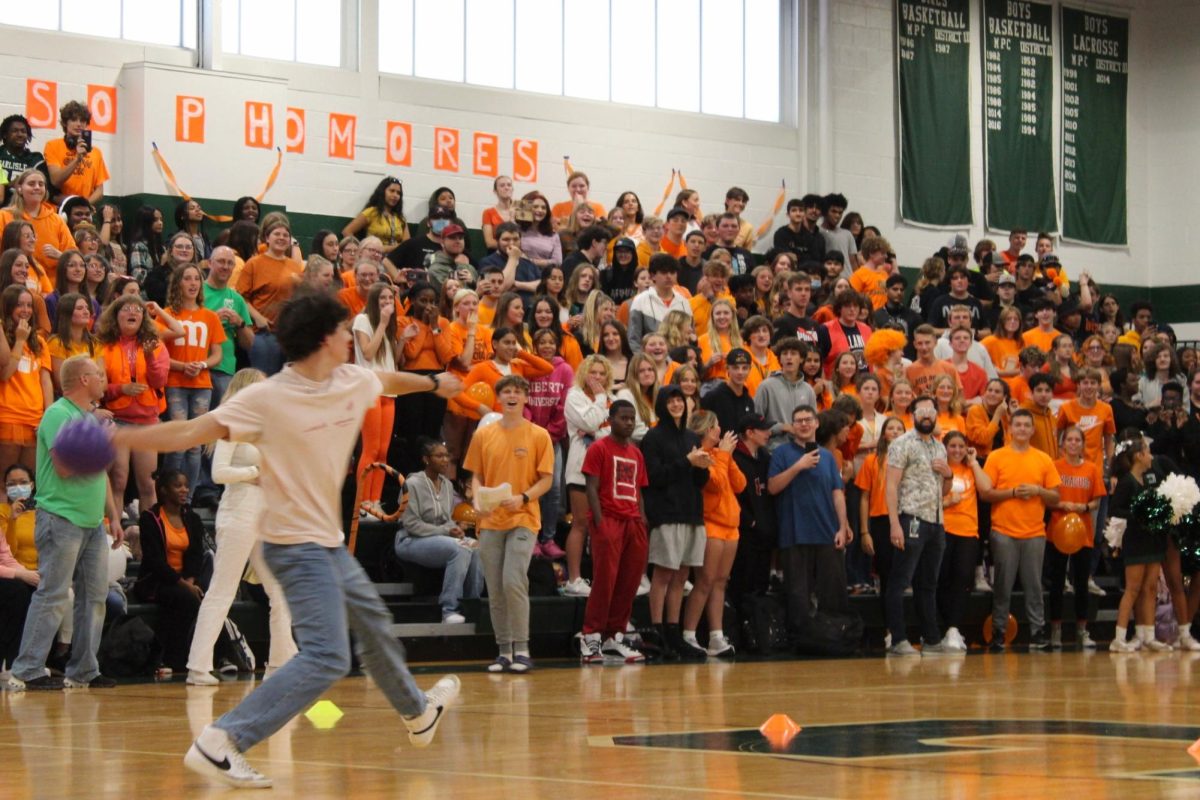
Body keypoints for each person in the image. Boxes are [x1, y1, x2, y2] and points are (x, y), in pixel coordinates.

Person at [110, 290, 463, 788]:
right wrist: (124, 436)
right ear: (324, 338)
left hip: (327, 540)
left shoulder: (350, 379)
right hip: (293, 545)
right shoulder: (266, 397)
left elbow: (388, 381)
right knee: (327, 655)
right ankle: (221, 740)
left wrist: (432, 382)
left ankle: (417, 714)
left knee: (373, 622)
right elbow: (191, 431)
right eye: (345, 330)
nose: (352, 338)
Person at [7, 356, 122, 691]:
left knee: (95, 596)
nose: (103, 380)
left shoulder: (85, 418)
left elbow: (99, 474)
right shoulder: (58, 414)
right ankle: (27, 668)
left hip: (91, 522)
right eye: (98, 375)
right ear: (84, 379)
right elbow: (64, 467)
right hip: (61, 518)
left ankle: (84, 668)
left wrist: (113, 516)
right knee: (54, 593)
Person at [186, 369, 296, 685]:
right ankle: (198, 666)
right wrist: (254, 472)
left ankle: (281, 661)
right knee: (223, 588)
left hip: (268, 513)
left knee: (279, 590)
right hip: (238, 510)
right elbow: (219, 473)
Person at [464, 374, 554, 674]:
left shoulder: (539, 435)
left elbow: (547, 479)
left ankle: (523, 648)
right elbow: (475, 475)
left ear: (525, 398)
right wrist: (477, 499)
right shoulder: (483, 435)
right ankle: (504, 651)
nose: (512, 396)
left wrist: (524, 497)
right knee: (495, 587)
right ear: (498, 398)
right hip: (490, 520)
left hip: (524, 517)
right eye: (507, 392)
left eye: (518, 391)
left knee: (513, 579)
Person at [980, 408, 1061, 650]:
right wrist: (1013, 493)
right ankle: (998, 632)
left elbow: (1055, 497)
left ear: (1033, 430)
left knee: (1034, 585)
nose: (1023, 429)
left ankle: (1037, 632)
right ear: (1010, 428)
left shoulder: (1043, 459)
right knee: (1002, 585)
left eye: (1027, 425)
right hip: (1003, 530)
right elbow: (986, 493)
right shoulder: (996, 457)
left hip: (1034, 532)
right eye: (1019, 425)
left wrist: (1038, 491)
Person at [639, 385, 710, 659]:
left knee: (682, 575)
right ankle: (657, 632)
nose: (677, 404)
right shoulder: (653, 438)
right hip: (666, 513)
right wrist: (687, 461)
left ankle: (673, 630)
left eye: (680, 400)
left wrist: (702, 467)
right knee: (663, 574)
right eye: (672, 400)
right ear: (662, 405)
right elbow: (654, 477)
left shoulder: (692, 436)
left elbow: (698, 481)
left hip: (692, 511)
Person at [577, 400, 649, 663]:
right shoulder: (598, 449)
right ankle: (591, 637)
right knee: (605, 580)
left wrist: (641, 521)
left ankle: (613, 637)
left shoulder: (637, 453)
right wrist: (599, 522)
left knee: (629, 583)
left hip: (633, 523)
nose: (628, 422)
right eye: (623, 418)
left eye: (632, 418)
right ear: (611, 419)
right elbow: (591, 489)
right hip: (609, 521)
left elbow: (638, 490)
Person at [768, 404, 852, 629]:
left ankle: (833, 635)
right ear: (793, 426)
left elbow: (837, 494)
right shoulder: (781, 453)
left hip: (827, 533)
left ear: (816, 423)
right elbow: (773, 487)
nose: (804, 424)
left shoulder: (827, 456)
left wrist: (842, 527)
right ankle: (800, 638)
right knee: (798, 593)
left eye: (808, 420)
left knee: (832, 591)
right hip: (794, 534)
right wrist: (798, 466)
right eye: (799, 421)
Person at [882, 396, 953, 656]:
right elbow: (890, 485)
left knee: (928, 584)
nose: (927, 414)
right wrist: (894, 524)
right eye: (921, 410)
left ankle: (931, 639)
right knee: (900, 581)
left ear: (936, 415)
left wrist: (949, 474)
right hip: (910, 517)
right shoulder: (902, 444)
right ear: (912, 414)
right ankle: (899, 639)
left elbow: (943, 490)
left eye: (931, 410)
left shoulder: (939, 447)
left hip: (936, 521)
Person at [678, 410, 745, 659]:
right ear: (708, 430)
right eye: (717, 426)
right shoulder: (702, 456)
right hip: (711, 524)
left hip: (730, 525)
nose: (721, 430)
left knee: (720, 582)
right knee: (705, 581)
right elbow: (714, 484)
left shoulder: (721, 455)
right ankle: (689, 634)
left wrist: (727, 457)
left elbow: (740, 484)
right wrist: (725, 456)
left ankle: (716, 635)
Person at [396, 439, 483, 625]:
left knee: (475, 547)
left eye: (447, 455)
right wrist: (445, 530)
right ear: (426, 459)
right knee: (459, 549)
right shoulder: (412, 484)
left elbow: (446, 519)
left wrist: (456, 529)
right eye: (439, 456)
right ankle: (449, 610)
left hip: (439, 538)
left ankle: (472, 606)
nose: (445, 460)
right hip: (410, 540)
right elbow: (411, 524)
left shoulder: (447, 485)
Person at [133, 469, 206, 673]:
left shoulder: (192, 518)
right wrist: (184, 586)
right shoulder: (150, 518)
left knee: (205, 598)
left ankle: (217, 655)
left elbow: (196, 555)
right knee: (185, 598)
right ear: (164, 491)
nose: (184, 489)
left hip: (185, 580)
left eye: (186, 485)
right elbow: (155, 561)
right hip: (155, 581)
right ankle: (175, 659)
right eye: (178, 486)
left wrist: (190, 582)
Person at [162, 264, 225, 499]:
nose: (192, 283)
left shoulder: (209, 316)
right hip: (176, 381)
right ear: (178, 283)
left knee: (195, 444)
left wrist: (202, 364)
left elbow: (217, 353)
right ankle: (167, 494)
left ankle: (187, 497)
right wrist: (181, 366)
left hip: (201, 383)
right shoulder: (168, 314)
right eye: (186, 278)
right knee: (178, 441)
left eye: (196, 279)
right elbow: (159, 354)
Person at [1106, 433, 1173, 652]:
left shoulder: (1150, 478)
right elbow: (1115, 508)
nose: (1151, 456)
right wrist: (1139, 513)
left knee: (1150, 588)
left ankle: (1147, 636)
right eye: (1148, 452)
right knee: (1133, 589)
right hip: (1135, 541)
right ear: (1138, 456)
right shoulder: (1127, 482)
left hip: (1153, 540)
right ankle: (1119, 638)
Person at [1046, 426, 1105, 650]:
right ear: (1062, 444)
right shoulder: (1053, 466)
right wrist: (1061, 504)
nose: (1072, 443)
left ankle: (1082, 630)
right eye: (1068, 439)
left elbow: (1096, 501)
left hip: (1083, 532)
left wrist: (1084, 506)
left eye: (1076, 440)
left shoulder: (1091, 469)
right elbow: (1048, 498)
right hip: (1057, 531)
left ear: (1082, 444)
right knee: (1057, 583)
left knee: (1081, 583)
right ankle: (1055, 630)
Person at [235, 214, 303, 375]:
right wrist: (257, 317)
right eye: (277, 234)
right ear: (267, 238)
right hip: (263, 334)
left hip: (287, 333)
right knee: (264, 378)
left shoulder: (295, 266)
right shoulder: (254, 263)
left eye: (285, 235)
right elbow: (240, 297)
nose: (281, 238)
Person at [0, 285, 53, 478]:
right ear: (7, 308)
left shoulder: (39, 342)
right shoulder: (4, 338)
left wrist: (48, 416)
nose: (26, 310)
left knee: (27, 484)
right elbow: (5, 374)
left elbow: (45, 381)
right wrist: (20, 341)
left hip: (35, 421)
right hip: (8, 418)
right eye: (19, 305)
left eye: (29, 305)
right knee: (5, 483)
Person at [42, 101, 109, 204]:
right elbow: (56, 180)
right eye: (73, 120)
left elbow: (99, 191)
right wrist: (77, 159)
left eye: (82, 121)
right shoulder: (52, 146)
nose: (78, 124)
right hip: (59, 208)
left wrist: (84, 206)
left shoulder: (96, 152)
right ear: (65, 123)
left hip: (85, 210)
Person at [342, 176, 408, 258]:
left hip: (395, 260)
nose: (395, 195)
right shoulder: (372, 212)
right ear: (382, 192)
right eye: (392, 191)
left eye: (398, 193)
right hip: (373, 258)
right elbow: (347, 232)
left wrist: (389, 249)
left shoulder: (400, 218)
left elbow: (407, 244)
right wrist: (361, 250)